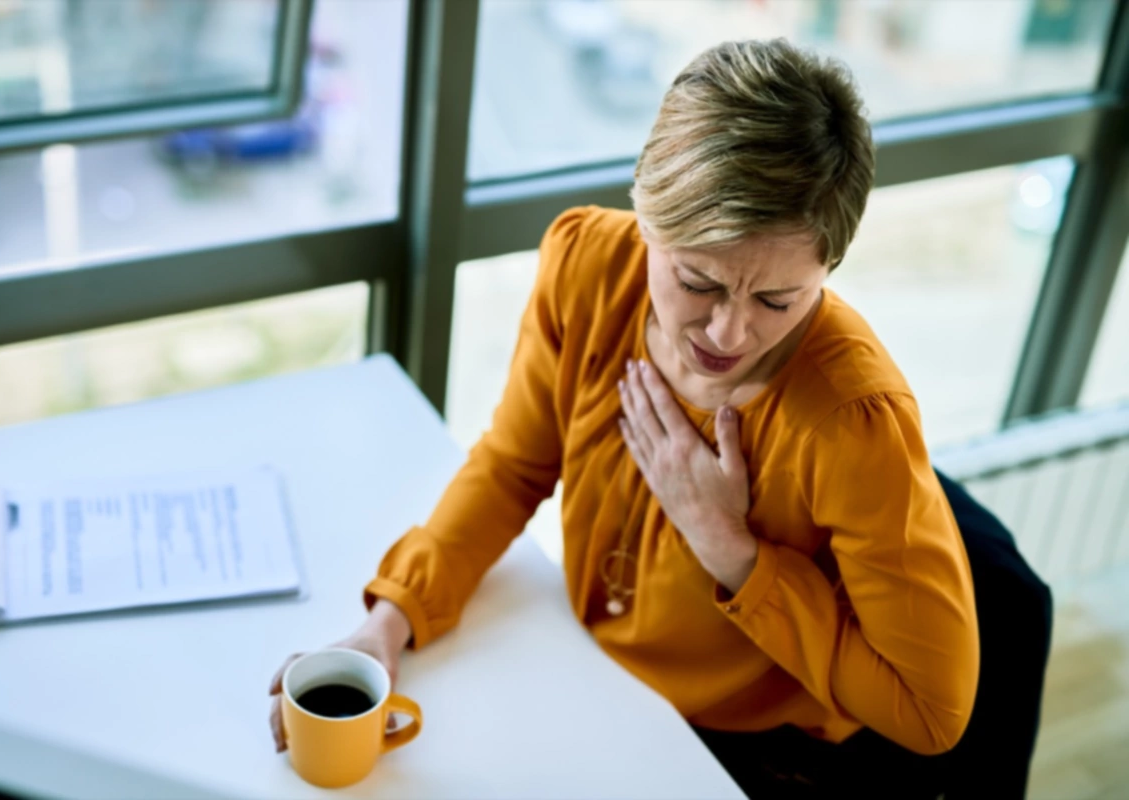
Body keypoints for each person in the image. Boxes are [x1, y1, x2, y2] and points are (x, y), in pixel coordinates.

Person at [269, 39, 1020, 797]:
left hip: (749, 751)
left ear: (827, 270)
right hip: (594, 676)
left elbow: (933, 713)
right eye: (698, 281)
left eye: (776, 301)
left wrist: (733, 550)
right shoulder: (587, 266)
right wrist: (388, 621)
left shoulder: (853, 422)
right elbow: (515, 463)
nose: (728, 335)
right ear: (645, 214)